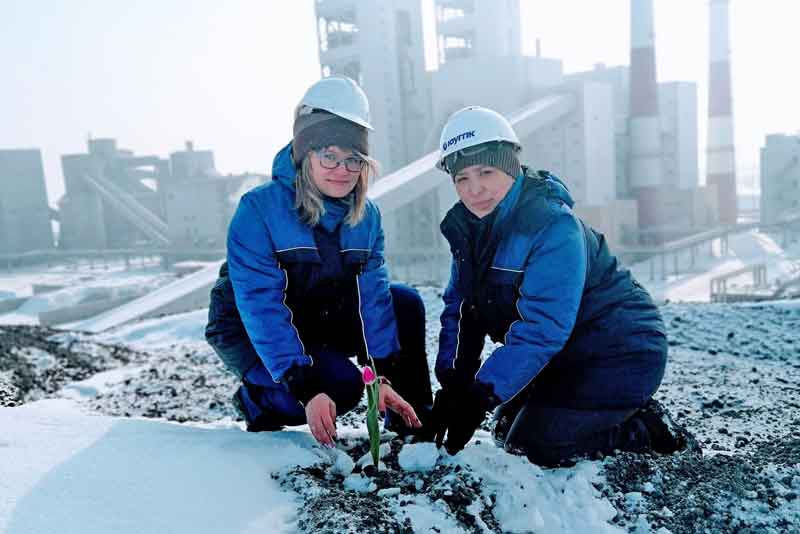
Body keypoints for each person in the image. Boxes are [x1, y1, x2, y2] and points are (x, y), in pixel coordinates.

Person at [429, 106, 697, 466]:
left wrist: (479, 395)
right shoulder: (470, 230)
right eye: (462, 179)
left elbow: (543, 328)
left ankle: (646, 427)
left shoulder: (552, 226)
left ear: (509, 167)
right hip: (563, 357)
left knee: (535, 447)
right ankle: (602, 408)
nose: (474, 189)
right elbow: (461, 310)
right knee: (505, 425)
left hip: (619, 352)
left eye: (486, 172)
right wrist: (454, 386)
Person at [205, 77, 433, 447]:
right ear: (304, 153)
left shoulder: (367, 217)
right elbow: (261, 305)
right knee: (338, 386)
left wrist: (382, 377)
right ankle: (259, 400)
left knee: (403, 302)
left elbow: (371, 300)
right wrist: (305, 386)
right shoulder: (259, 209)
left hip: (314, 317)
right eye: (329, 155)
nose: (341, 170)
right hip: (250, 328)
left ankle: (413, 422)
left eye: (353, 159)